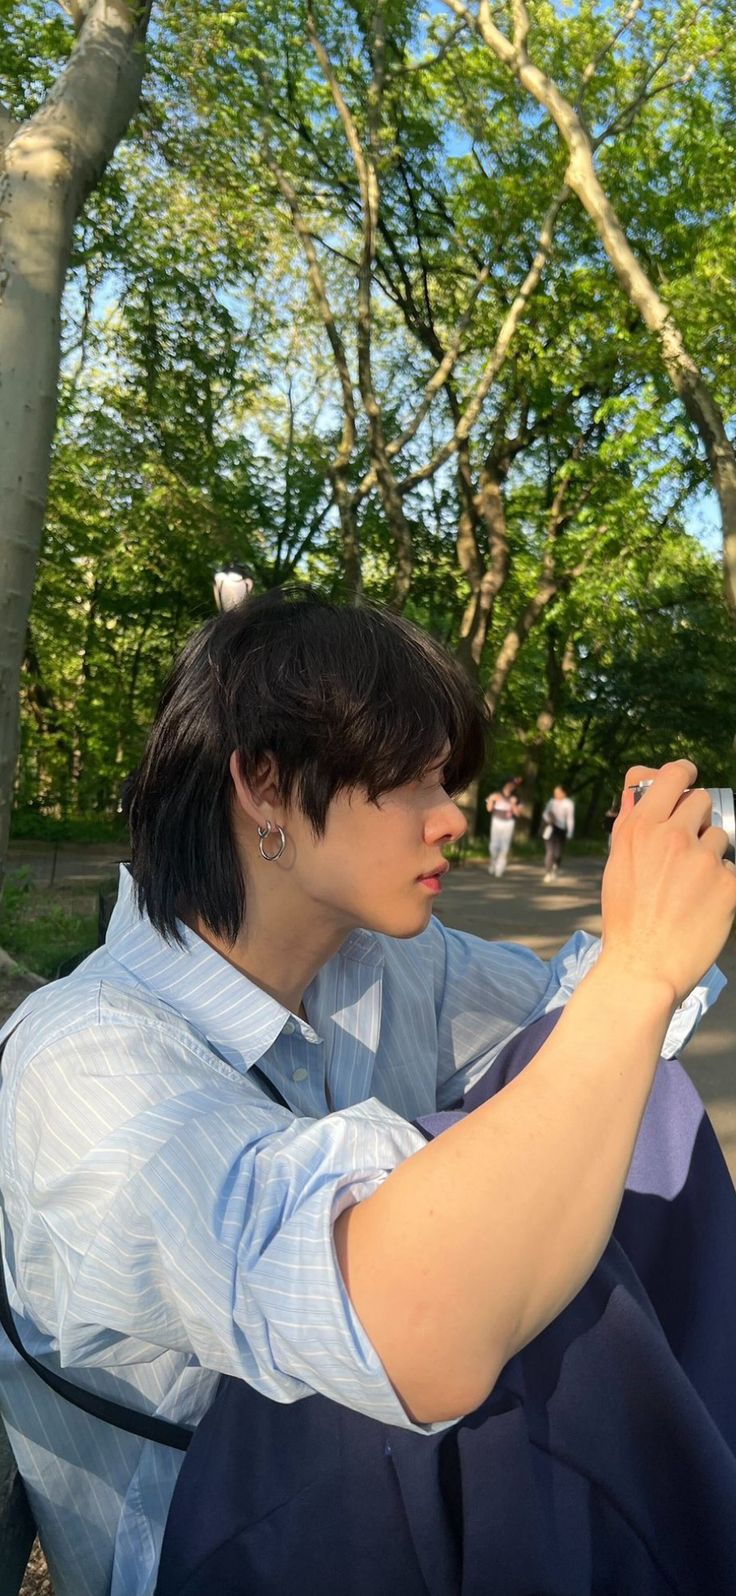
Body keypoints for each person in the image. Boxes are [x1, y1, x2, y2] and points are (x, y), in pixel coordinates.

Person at [0, 588, 734, 1596]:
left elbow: (588, 1033)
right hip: (195, 1543)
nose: (452, 816)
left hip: (391, 1490)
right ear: (263, 783)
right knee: (495, 1296)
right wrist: (642, 965)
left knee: (631, 1106)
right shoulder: (81, 1062)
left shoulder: (381, 966)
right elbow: (411, 1334)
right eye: (410, 780)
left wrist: (649, 923)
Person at [485, 776, 522, 878]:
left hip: (509, 823)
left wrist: (513, 804)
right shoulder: (496, 795)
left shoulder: (516, 798)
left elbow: (518, 814)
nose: (510, 787)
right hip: (496, 821)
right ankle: (493, 862)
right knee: (493, 846)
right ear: (504, 785)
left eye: (512, 786)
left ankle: (500, 868)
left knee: (504, 847)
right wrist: (491, 800)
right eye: (509, 785)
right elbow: (489, 809)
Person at [541, 782, 575, 882]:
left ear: (564, 793)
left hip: (561, 830)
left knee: (558, 853)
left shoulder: (568, 804)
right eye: (555, 793)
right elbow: (545, 814)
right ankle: (548, 872)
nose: (556, 795)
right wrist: (549, 818)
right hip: (550, 829)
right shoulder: (551, 802)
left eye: (558, 793)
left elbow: (570, 819)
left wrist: (570, 832)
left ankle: (555, 867)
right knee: (550, 852)